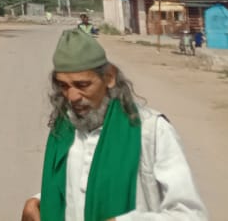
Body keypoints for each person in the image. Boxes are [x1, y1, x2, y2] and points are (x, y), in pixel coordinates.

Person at [20, 29, 208, 221]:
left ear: (109, 77)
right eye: (64, 86)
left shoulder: (150, 131)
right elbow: (78, 191)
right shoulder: (66, 130)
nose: (72, 97)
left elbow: (191, 215)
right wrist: (40, 201)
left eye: (83, 85)